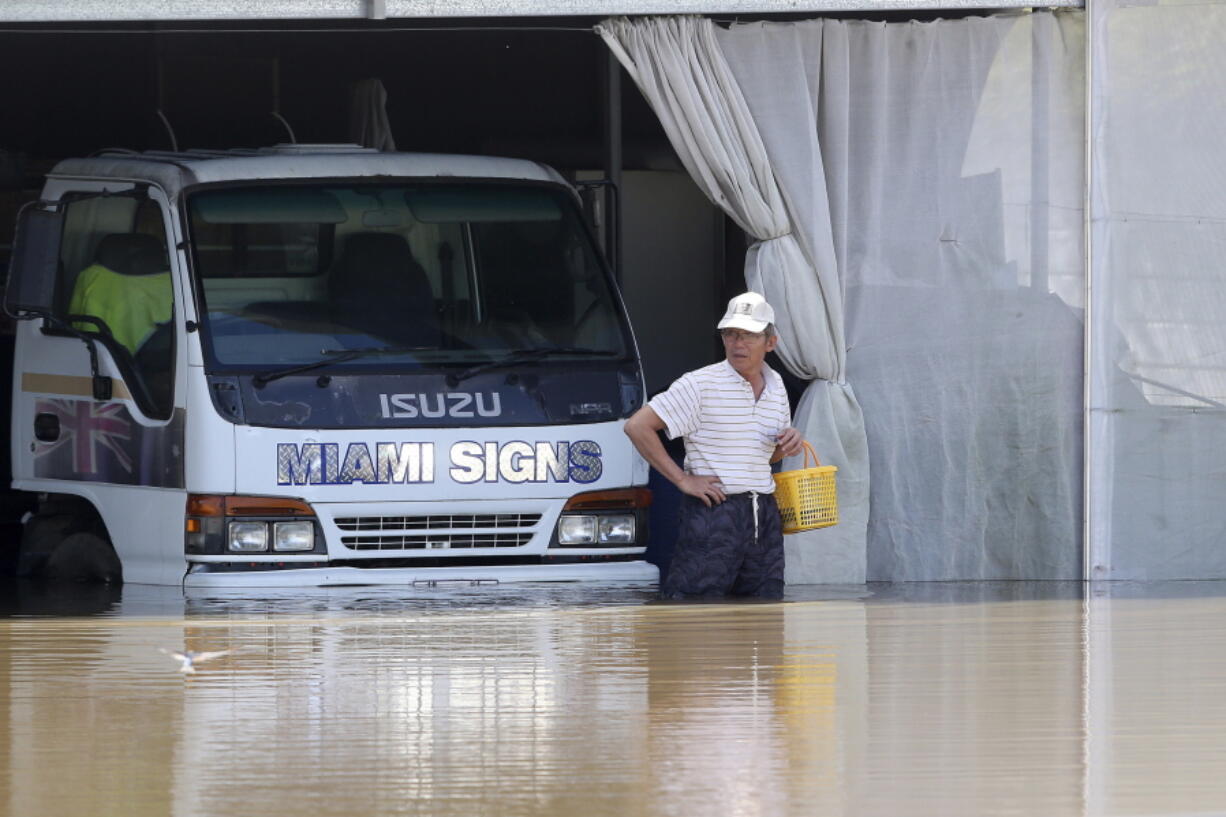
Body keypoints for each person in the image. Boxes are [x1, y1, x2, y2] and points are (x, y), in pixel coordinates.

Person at [624, 291, 803, 599]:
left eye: (748, 335)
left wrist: (789, 444)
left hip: (763, 513)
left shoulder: (777, 389)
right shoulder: (699, 384)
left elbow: (766, 455)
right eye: (730, 334)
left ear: (770, 343)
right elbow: (637, 426)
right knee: (695, 606)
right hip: (714, 510)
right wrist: (682, 479)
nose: (737, 343)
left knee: (767, 607)